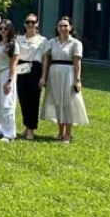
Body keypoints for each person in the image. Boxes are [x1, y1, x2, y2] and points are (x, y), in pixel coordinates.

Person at [40, 16, 89, 144]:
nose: (62, 28)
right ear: (57, 28)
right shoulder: (52, 42)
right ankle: (60, 132)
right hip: (54, 73)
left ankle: (68, 134)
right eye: (60, 26)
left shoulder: (76, 43)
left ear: (71, 27)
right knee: (57, 102)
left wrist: (77, 80)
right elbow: (47, 60)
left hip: (69, 74)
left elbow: (77, 62)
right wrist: (44, 76)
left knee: (68, 103)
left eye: (65, 26)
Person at [16, 13, 48, 140]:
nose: (30, 24)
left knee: (33, 100)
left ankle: (31, 129)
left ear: (37, 24)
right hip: (21, 69)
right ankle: (26, 125)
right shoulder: (18, 39)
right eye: (28, 22)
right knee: (23, 99)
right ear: (24, 24)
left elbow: (45, 59)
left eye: (33, 22)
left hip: (35, 69)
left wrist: (43, 77)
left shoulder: (43, 40)